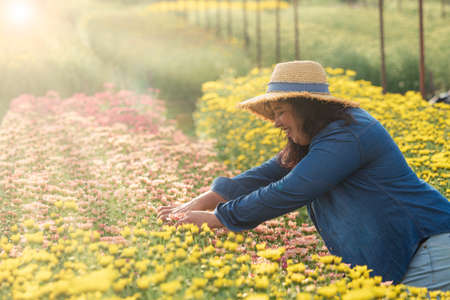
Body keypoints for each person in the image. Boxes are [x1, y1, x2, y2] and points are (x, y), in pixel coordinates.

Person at [157, 60, 450, 290]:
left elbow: (291, 189)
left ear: (306, 107)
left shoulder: (348, 134)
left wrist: (221, 217)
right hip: (410, 251)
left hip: (425, 247)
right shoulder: (318, 136)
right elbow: (267, 174)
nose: (276, 122)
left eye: (280, 111)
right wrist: (202, 201)